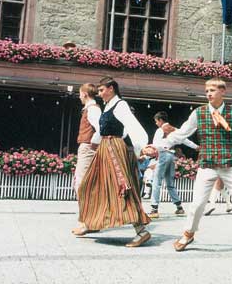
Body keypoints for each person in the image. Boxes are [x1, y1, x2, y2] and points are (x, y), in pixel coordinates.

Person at [151, 78, 232, 257]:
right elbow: (180, 134)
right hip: (207, 165)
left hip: (229, 166)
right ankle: (188, 234)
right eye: (207, 91)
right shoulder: (199, 113)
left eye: (212, 90)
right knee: (197, 204)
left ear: (223, 91)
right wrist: (157, 146)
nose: (208, 93)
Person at [77, 77, 151, 247]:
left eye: (102, 90)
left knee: (122, 186)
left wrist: (142, 147)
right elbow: (102, 130)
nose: (100, 94)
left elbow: (132, 126)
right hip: (105, 147)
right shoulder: (108, 106)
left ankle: (142, 231)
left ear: (111, 88)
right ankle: (92, 222)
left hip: (113, 148)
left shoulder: (120, 105)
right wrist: (95, 144)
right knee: (92, 185)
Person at [148, 111, 198, 219]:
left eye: (156, 121)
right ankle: (179, 207)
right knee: (170, 182)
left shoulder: (160, 130)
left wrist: (151, 148)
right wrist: (196, 147)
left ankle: (154, 208)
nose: (156, 123)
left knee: (157, 181)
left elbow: (156, 144)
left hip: (163, 154)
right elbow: (185, 140)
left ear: (160, 120)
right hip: (171, 156)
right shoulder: (175, 129)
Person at [71, 84, 101, 236]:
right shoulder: (91, 108)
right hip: (88, 147)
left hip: (87, 147)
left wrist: (93, 144)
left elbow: (100, 129)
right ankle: (92, 221)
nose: (79, 96)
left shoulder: (92, 109)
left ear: (84, 94)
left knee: (81, 185)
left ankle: (84, 223)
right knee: (88, 185)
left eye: (80, 93)